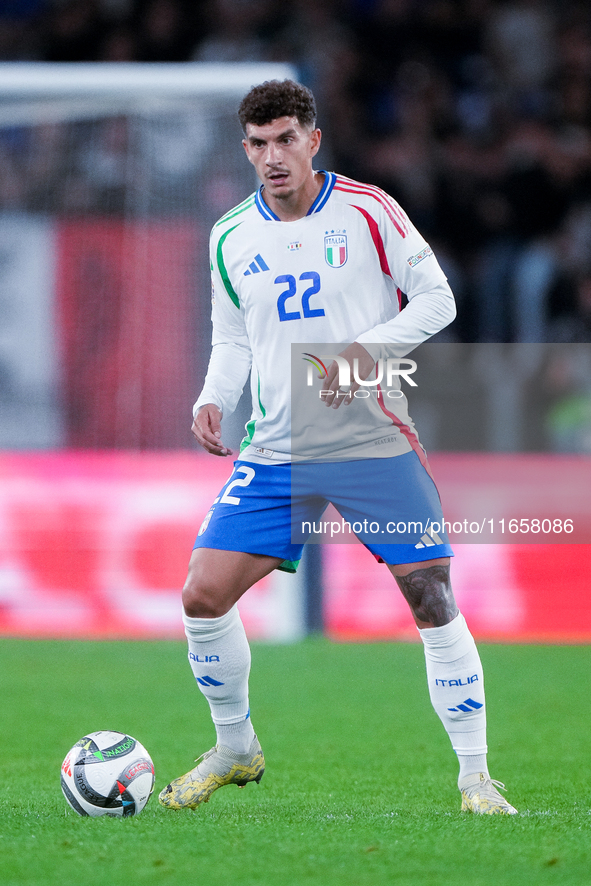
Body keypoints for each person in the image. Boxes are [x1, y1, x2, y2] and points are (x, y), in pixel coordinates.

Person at [158, 79, 517, 815]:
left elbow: (438, 298)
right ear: (246, 149)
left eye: (285, 139)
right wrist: (210, 399)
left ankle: (475, 778)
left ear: (312, 139)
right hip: (276, 448)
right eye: (258, 144)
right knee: (201, 594)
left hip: (369, 436)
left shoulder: (367, 209)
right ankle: (234, 750)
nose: (272, 156)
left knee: (429, 594)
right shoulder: (229, 234)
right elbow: (231, 337)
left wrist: (362, 350)